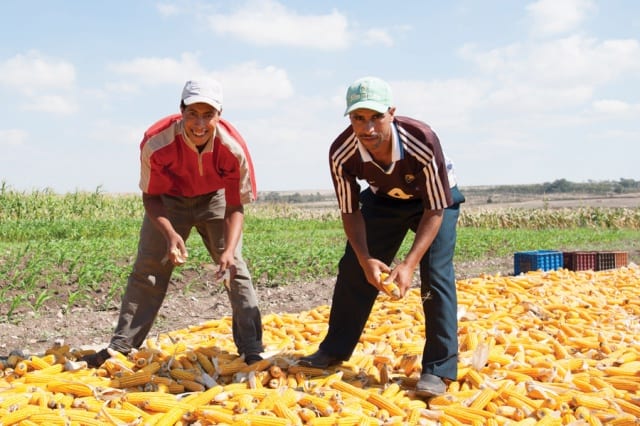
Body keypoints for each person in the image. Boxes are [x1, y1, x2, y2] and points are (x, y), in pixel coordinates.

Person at [299, 76, 465, 398]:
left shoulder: (422, 140)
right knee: (352, 268)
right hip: (386, 199)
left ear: (391, 112)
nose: (368, 128)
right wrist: (365, 259)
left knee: (436, 274)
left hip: (434, 202)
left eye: (376, 117)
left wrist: (409, 263)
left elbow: (434, 210)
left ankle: (438, 369)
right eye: (358, 118)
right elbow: (350, 211)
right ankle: (334, 349)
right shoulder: (342, 152)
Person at [82, 79, 264, 367]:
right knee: (148, 271)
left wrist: (228, 250)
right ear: (181, 111)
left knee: (235, 269)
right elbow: (151, 197)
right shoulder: (157, 142)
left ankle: (252, 349)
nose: (200, 123)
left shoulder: (233, 149)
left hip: (215, 199)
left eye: (208, 114)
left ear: (220, 115)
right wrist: (169, 234)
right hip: (169, 200)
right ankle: (121, 346)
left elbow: (234, 205)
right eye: (192, 113)